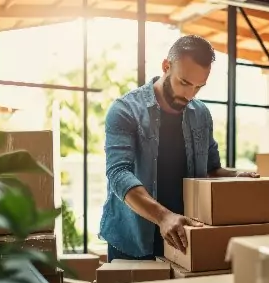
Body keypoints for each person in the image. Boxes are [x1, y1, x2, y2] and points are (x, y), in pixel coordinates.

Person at [99, 35, 259, 262]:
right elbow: (118, 173)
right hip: (132, 239)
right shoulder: (125, 110)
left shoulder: (201, 114)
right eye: (184, 83)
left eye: (198, 87)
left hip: (183, 237)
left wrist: (236, 176)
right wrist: (163, 217)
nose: (190, 95)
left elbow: (211, 170)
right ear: (166, 66)